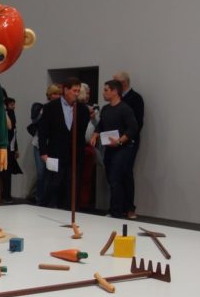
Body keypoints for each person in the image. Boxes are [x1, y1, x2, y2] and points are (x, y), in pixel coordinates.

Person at [38, 78, 95, 211]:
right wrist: (43, 152)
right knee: (53, 184)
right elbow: (43, 131)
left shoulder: (82, 109)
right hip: (55, 153)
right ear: (66, 90)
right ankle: (43, 210)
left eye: (78, 91)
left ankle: (68, 213)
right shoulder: (51, 107)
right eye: (74, 90)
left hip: (74, 155)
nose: (76, 93)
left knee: (72, 187)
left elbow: (82, 133)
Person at [92, 80, 139, 218]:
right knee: (112, 178)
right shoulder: (106, 109)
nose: (103, 93)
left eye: (106, 90)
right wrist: (95, 135)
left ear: (115, 91)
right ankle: (120, 209)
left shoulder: (125, 109)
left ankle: (116, 211)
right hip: (110, 148)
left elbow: (133, 129)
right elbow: (101, 125)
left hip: (123, 149)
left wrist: (119, 141)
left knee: (115, 178)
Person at [114, 71, 144, 218]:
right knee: (114, 174)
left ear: (123, 83)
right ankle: (116, 207)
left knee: (126, 172)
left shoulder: (135, 98)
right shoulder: (116, 99)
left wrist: (125, 138)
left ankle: (129, 208)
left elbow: (137, 123)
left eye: (115, 82)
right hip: (114, 142)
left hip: (129, 142)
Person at [28, 84, 61, 205]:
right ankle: (39, 198)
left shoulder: (61, 110)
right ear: (49, 95)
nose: (57, 96)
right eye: (55, 94)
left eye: (59, 94)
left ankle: (49, 199)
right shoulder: (42, 108)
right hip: (39, 145)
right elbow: (35, 121)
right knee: (41, 173)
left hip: (53, 145)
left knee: (51, 174)